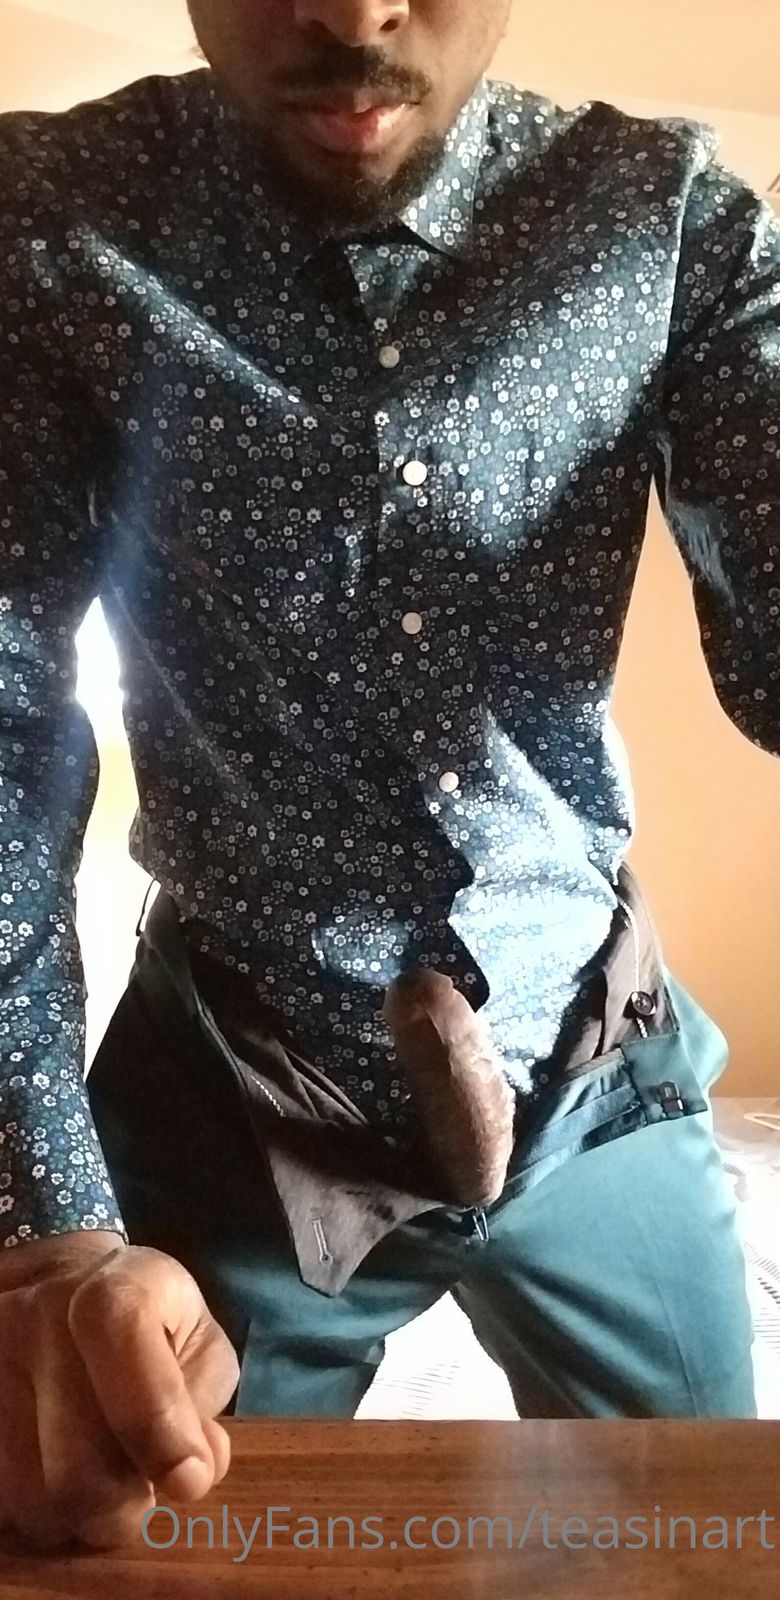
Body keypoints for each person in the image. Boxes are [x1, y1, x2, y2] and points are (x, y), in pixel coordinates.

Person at [0, 0, 777, 1554]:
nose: (351, 10)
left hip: (593, 1076)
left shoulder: (669, 217)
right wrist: (45, 1229)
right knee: (129, 1538)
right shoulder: (49, 224)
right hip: (232, 1099)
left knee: (714, 1543)